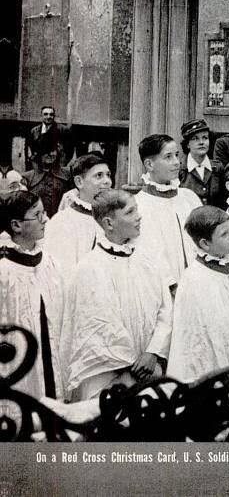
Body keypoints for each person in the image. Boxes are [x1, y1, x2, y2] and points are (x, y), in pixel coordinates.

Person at [61, 189, 172, 401]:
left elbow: (165, 310)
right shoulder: (89, 268)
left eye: (137, 210)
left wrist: (153, 352)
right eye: (130, 212)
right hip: (108, 375)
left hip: (149, 367)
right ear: (109, 223)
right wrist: (128, 367)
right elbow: (98, 325)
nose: (139, 216)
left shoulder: (147, 261)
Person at [167, 206, 229, 382]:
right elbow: (195, 336)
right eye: (224, 234)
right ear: (204, 243)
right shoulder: (193, 279)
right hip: (209, 366)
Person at [0, 190, 64, 399]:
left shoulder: (50, 262)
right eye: (37, 215)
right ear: (16, 225)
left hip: (51, 352)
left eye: (44, 213)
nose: (45, 219)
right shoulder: (4, 270)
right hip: (17, 361)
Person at [135, 134, 201, 293]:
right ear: (149, 164)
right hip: (162, 289)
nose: (176, 162)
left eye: (177, 155)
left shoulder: (189, 198)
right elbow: (147, 252)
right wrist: (169, 283)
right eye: (168, 157)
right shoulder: (139, 204)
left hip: (197, 285)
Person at [43, 152, 112, 278]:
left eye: (108, 175)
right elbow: (61, 275)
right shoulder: (63, 222)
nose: (107, 181)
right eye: (99, 176)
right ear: (79, 182)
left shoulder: (112, 218)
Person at [178, 118, 226, 207]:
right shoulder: (180, 169)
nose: (201, 142)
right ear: (187, 144)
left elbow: (224, 200)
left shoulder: (217, 168)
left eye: (205, 138)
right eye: (195, 139)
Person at [22, 145, 71, 218]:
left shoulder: (68, 175)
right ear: (37, 153)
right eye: (47, 150)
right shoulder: (26, 177)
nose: (51, 154)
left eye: (54, 150)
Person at [26, 105, 74, 170]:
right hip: (40, 166)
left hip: (57, 166)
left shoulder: (63, 130)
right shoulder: (34, 131)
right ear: (41, 116)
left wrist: (62, 165)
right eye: (45, 114)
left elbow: (69, 151)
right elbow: (31, 149)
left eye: (51, 114)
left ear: (54, 116)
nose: (48, 117)